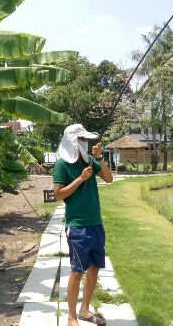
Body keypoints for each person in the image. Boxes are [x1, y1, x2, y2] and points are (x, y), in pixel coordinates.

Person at [53, 124, 113, 326]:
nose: (85, 144)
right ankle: (71, 317)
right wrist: (80, 179)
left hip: (96, 223)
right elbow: (58, 195)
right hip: (77, 226)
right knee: (77, 271)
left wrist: (100, 159)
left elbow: (109, 178)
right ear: (72, 141)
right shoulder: (62, 164)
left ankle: (85, 309)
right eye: (81, 140)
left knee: (95, 268)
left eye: (86, 140)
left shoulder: (90, 161)